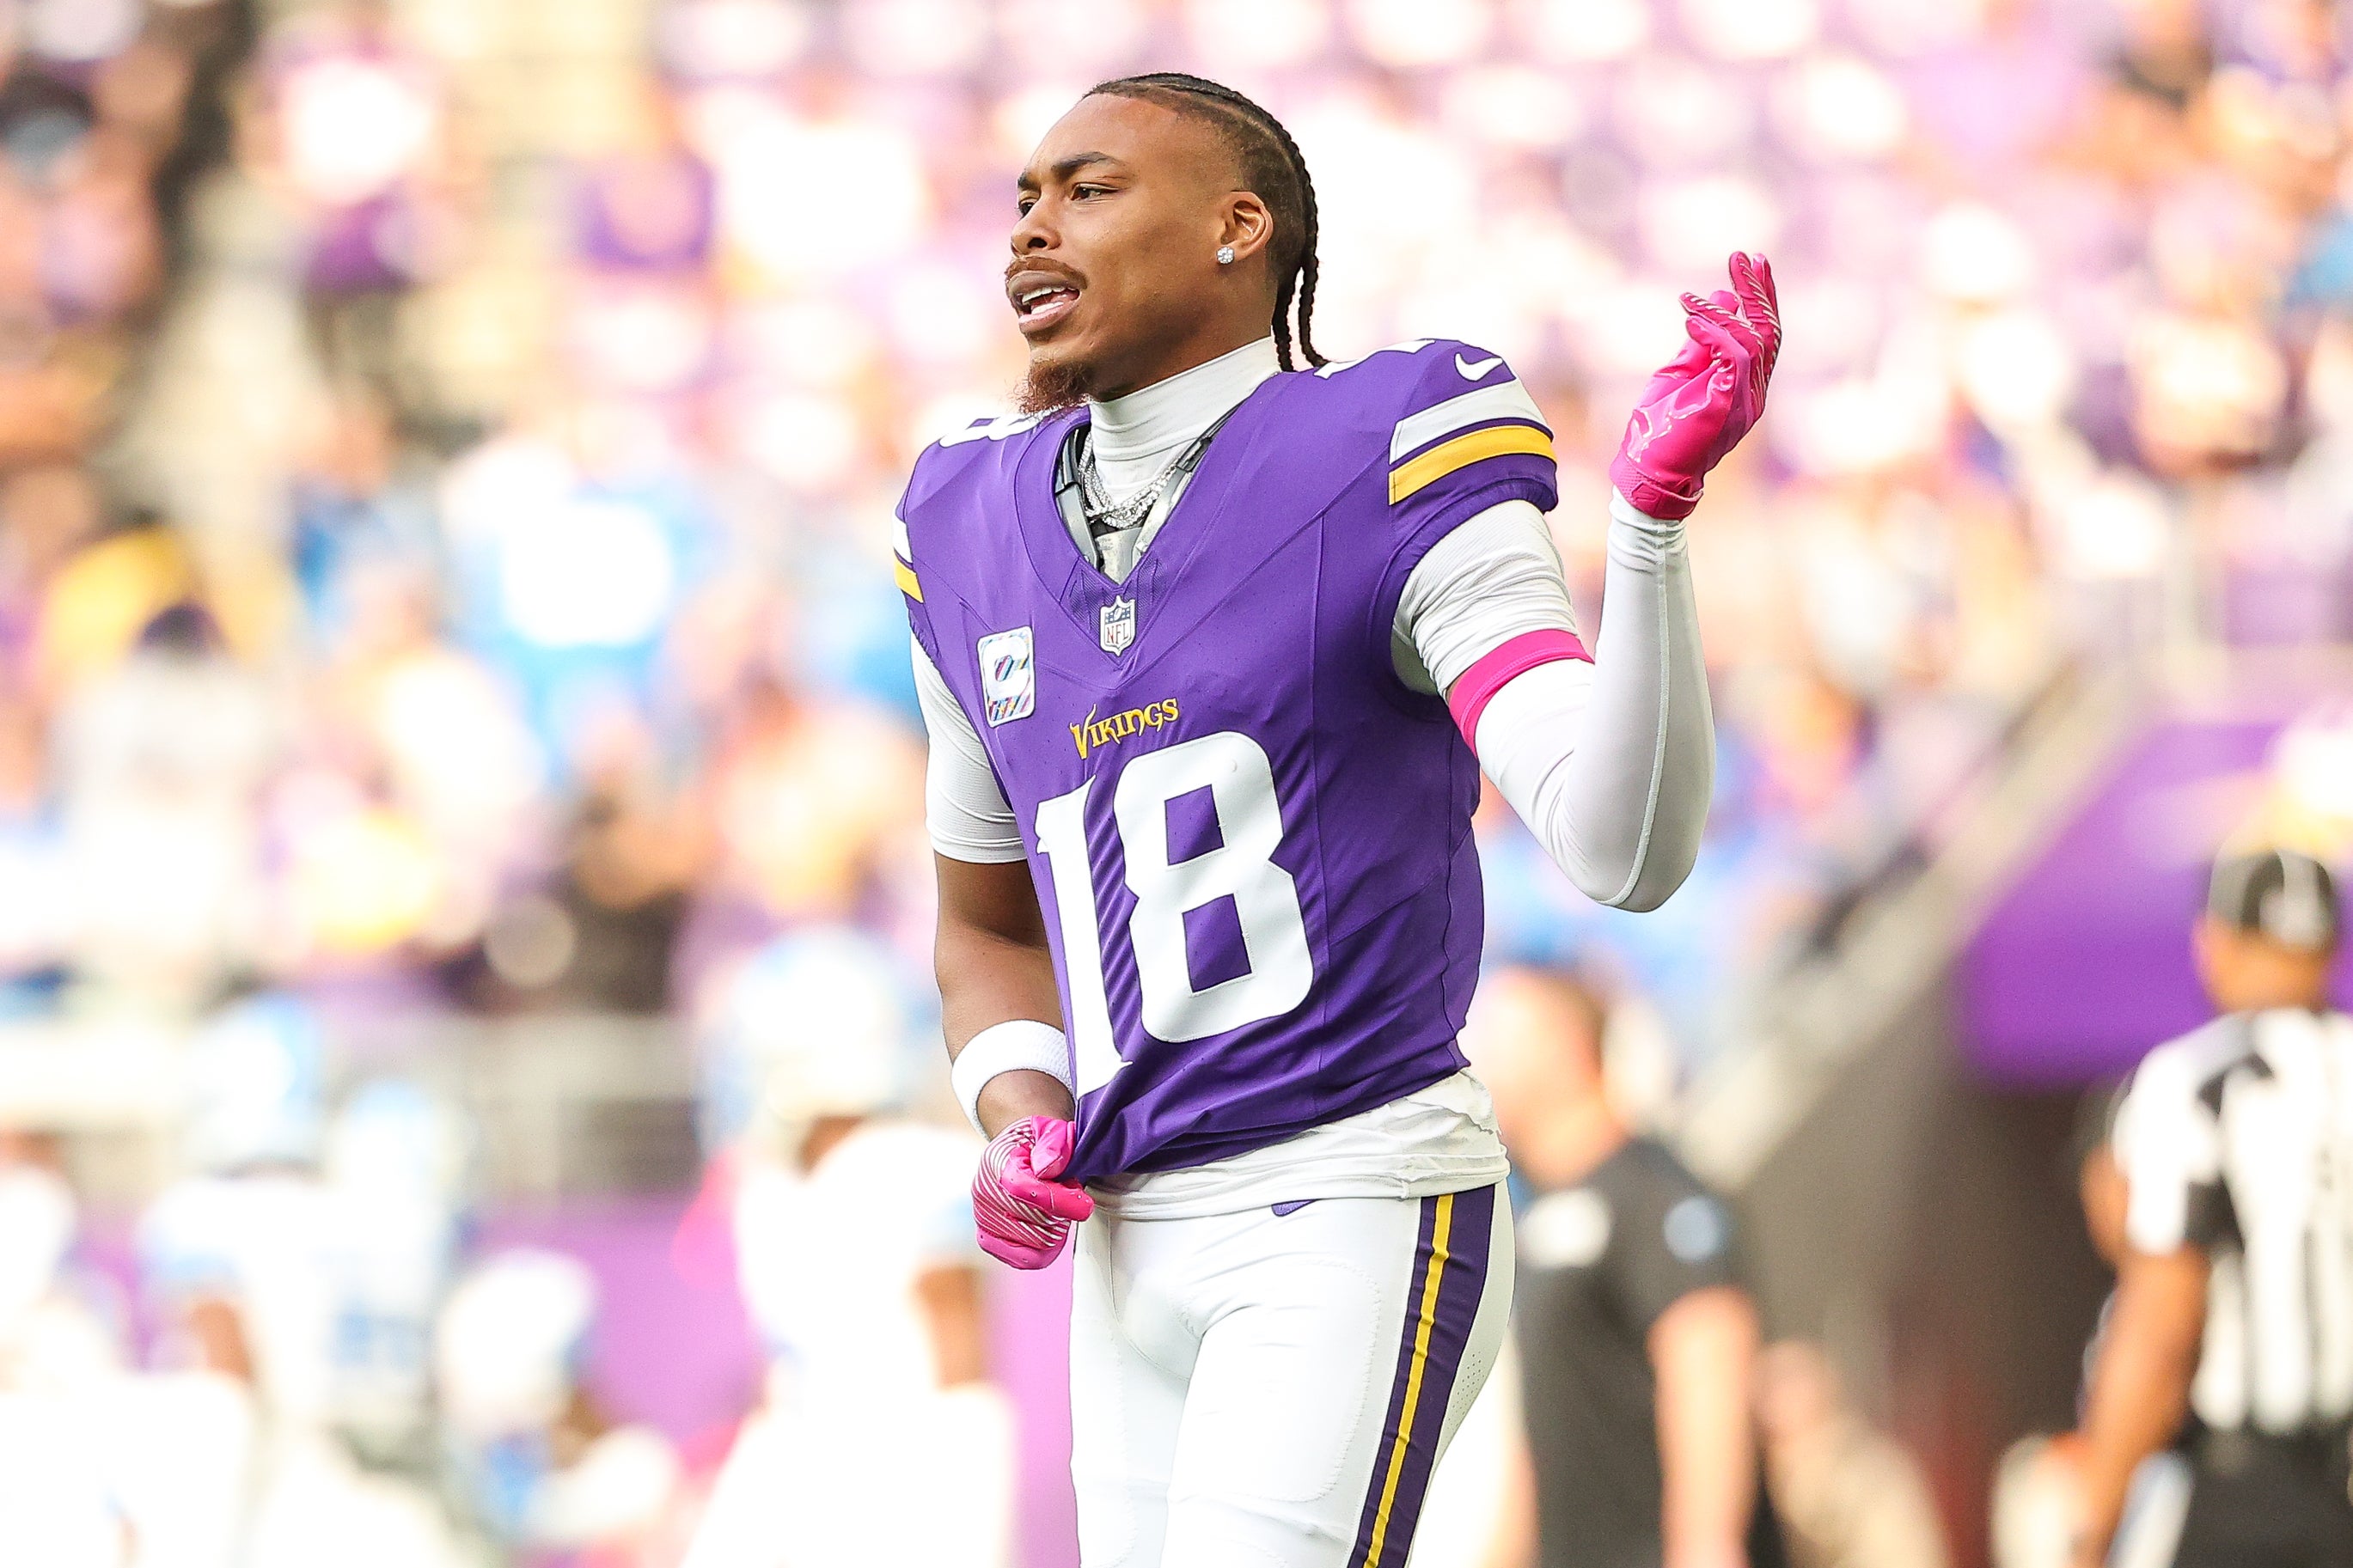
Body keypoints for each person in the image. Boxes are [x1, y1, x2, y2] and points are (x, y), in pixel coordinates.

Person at [901, 71, 1777, 1565]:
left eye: (1091, 188)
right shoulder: (964, 517)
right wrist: (1016, 1112)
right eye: (1026, 197)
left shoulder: (1384, 443)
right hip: (1127, 1224)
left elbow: (1621, 846)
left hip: (1344, 1181)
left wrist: (1646, 532)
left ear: (1239, 227)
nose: (1035, 226)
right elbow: (986, 922)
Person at [2070, 847, 2353, 1567]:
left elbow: (2162, 1321)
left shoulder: (2191, 1084)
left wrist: (2094, 1526)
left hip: (2257, 1493)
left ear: (2215, 942)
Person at [1464, 964, 1784, 1568]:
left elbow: (1707, 1359)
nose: (1479, 1065)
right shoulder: (1538, 1224)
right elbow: (1547, 1430)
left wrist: (1705, 1543)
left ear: (1563, 1045)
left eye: (1500, 1040)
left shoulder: (1655, 1191)